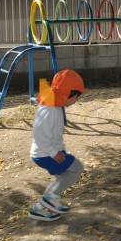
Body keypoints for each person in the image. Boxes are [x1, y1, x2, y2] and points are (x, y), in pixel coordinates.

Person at [28, 69, 87, 221]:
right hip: (46, 154)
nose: (77, 100)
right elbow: (39, 134)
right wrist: (53, 152)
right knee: (76, 168)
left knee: (63, 175)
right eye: (77, 96)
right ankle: (50, 198)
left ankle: (40, 210)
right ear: (68, 93)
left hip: (48, 152)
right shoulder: (49, 108)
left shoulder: (54, 104)